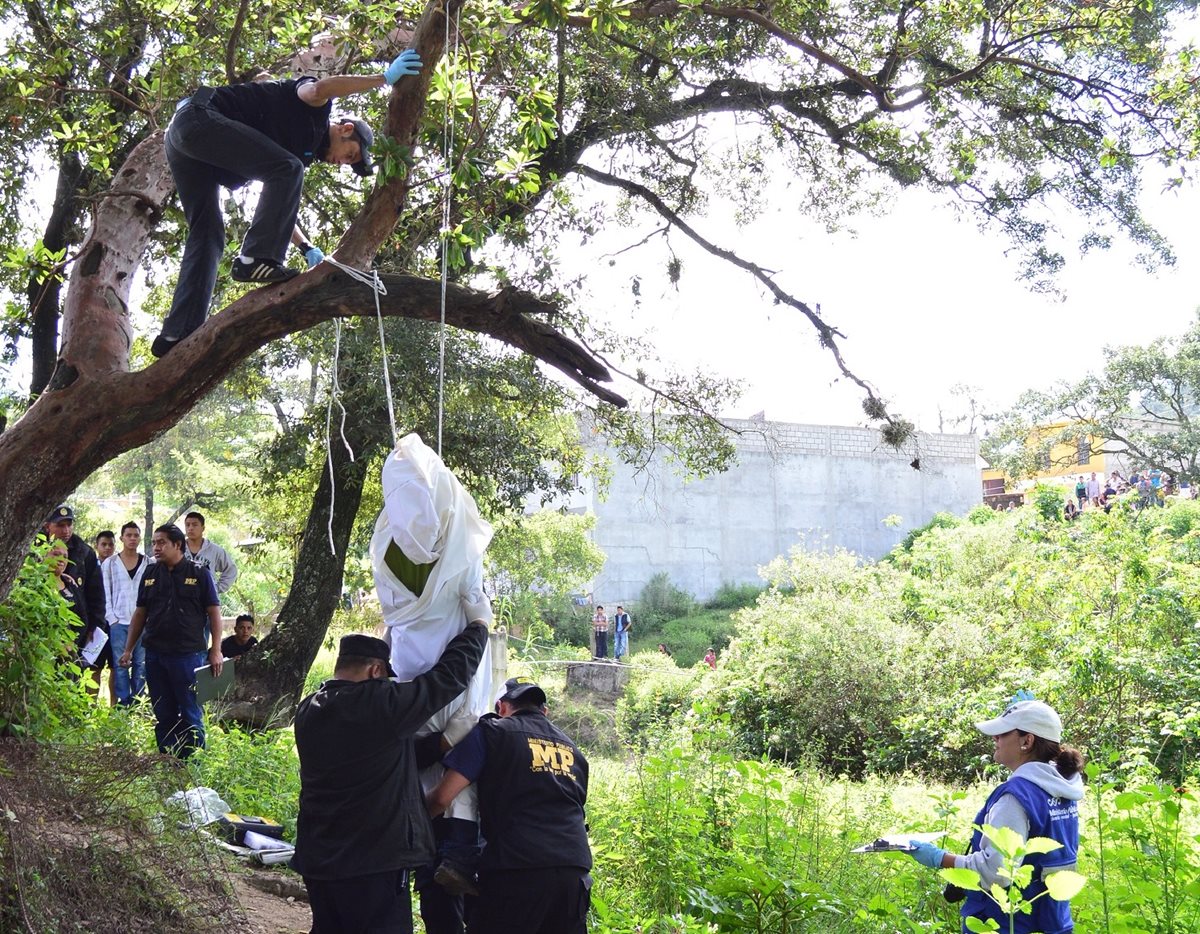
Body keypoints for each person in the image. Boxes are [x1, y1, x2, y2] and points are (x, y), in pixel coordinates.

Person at [150, 49, 424, 357]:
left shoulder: (294, 156)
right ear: (346, 129)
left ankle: (178, 333)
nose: (341, 163)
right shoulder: (315, 106)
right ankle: (254, 261)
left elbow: (278, 207)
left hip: (184, 143)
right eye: (350, 155)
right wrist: (383, 79)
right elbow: (322, 88)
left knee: (208, 232)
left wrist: (307, 248)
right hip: (198, 120)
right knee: (288, 169)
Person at [369, 434, 495, 932]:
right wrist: (477, 622)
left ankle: (443, 860)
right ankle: (442, 859)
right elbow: (468, 601)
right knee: (446, 770)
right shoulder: (447, 534)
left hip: (422, 675)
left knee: (444, 768)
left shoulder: (388, 545)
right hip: (440, 674)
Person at [293, 622, 489, 934]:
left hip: (319, 857)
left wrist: (442, 744)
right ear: (375, 672)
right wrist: (478, 629)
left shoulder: (310, 709)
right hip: (371, 863)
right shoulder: (379, 703)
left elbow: (381, 752)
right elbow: (446, 679)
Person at [428, 677, 592, 934]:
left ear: (501, 707)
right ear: (544, 712)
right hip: (574, 874)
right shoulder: (574, 751)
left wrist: (411, 820)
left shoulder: (493, 732)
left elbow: (442, 798)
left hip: (518, 871)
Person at [908, 698, 1084, 934]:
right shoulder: (1063, 788)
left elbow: (996, 872)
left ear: (1027, 740)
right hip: (1053, 922)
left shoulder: (1016, 796)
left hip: (1007, 924)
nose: (995, 739)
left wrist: (938, 858)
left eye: (1002, 733)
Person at [118, 524, 222, 759]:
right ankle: (168, 758)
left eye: (162, 542)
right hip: (155, 655)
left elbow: (214, 613)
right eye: (154, 542)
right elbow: (140, 614)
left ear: (178, 545)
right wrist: (128, 650)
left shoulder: (199, 573)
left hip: (187, 655)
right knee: (163, 710)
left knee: (189, 710)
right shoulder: (150, 574)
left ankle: (193, 759)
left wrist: (215, 650)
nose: (156, 547)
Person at [44, 506, 109, 691]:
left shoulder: (84, 552)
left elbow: (96, 594)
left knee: (74, 679)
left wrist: (95, 626)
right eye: (60, 525)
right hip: (47, 638)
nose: (66, 531)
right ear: (47, 526)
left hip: (76, 633)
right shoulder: (34, 546)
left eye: (69, 525)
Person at [102, 521, 150, 704]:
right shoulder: (110, 563)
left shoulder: (149, 562)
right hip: (119, 622)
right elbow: (106, 592)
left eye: (136, 535)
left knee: (140, 664)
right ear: (122, 538)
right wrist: (112, 619)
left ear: (140, 538)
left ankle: (139, 703)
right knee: (120, 665)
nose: (132, 538)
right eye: (128, 535)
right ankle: (123, 704)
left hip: (143, 623)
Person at [183, 511, 239, 595]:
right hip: (181, 599)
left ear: (203, 528)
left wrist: (216, 588)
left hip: (206, 600)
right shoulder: (177, 549)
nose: (190, 528)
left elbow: (231, 569)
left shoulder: (215, 550)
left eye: (195, 525)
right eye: (187, 525)